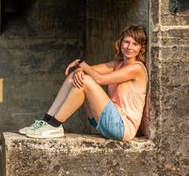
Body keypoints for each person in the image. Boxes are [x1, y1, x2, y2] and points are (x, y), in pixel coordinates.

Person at [20, 25, 148, 141]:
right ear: (121, 43)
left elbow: (99, 79)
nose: (129, 47)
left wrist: (80, 63)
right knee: (74, 76)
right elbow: (90, 70)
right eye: (126, 42)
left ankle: (55, 125)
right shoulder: (117, 64)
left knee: (85, 80)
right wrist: (79, 69)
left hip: (121, 128)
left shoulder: (137, 69)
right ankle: (46, 121)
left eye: (135, 44)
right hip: (102, 122)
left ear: (141, 48)